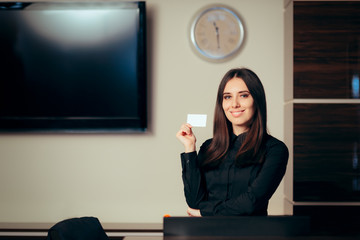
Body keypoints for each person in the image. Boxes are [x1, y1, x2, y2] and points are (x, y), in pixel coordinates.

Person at [176, 68, 289, 217]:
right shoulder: (209, 148)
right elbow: (194, 202)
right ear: (221, 104)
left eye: (243, 95)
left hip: (250, 234)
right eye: (227, 97)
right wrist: (190, 148)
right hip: (206, 233)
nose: (234, 104)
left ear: (257, 100)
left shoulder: (275, 150)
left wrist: (205, 212)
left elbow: (251, 202)